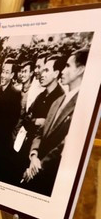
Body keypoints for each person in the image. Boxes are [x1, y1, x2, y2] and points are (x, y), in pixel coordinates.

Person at [24, 49, 86, 195]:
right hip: (36, 166)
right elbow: (41, 131)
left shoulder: (82, 104)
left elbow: (65, 144)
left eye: (68, 66)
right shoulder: (57, 101)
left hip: (52, 176)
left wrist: (38, 165)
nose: (62, 71)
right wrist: (33, 155)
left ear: (80, 70)